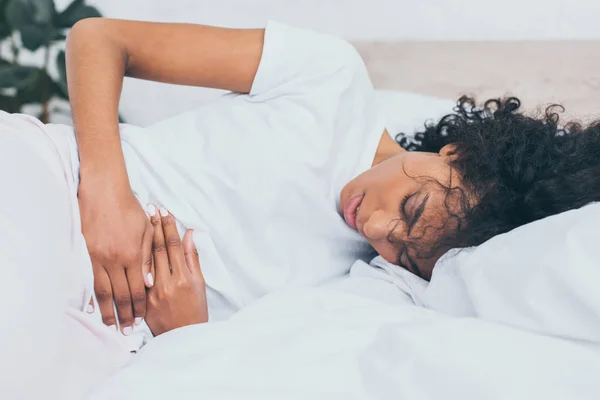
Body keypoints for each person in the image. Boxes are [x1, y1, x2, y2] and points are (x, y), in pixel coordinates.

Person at [2, 17, 599, 398]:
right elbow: (100, 38)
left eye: (401, 246)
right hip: (57, 187)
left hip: (108, 330)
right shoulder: (330, 79)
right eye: (411, 208)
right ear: (457, 152)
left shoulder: (366, 287)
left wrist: (185, 335)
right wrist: (108, 190)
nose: (376, 227)